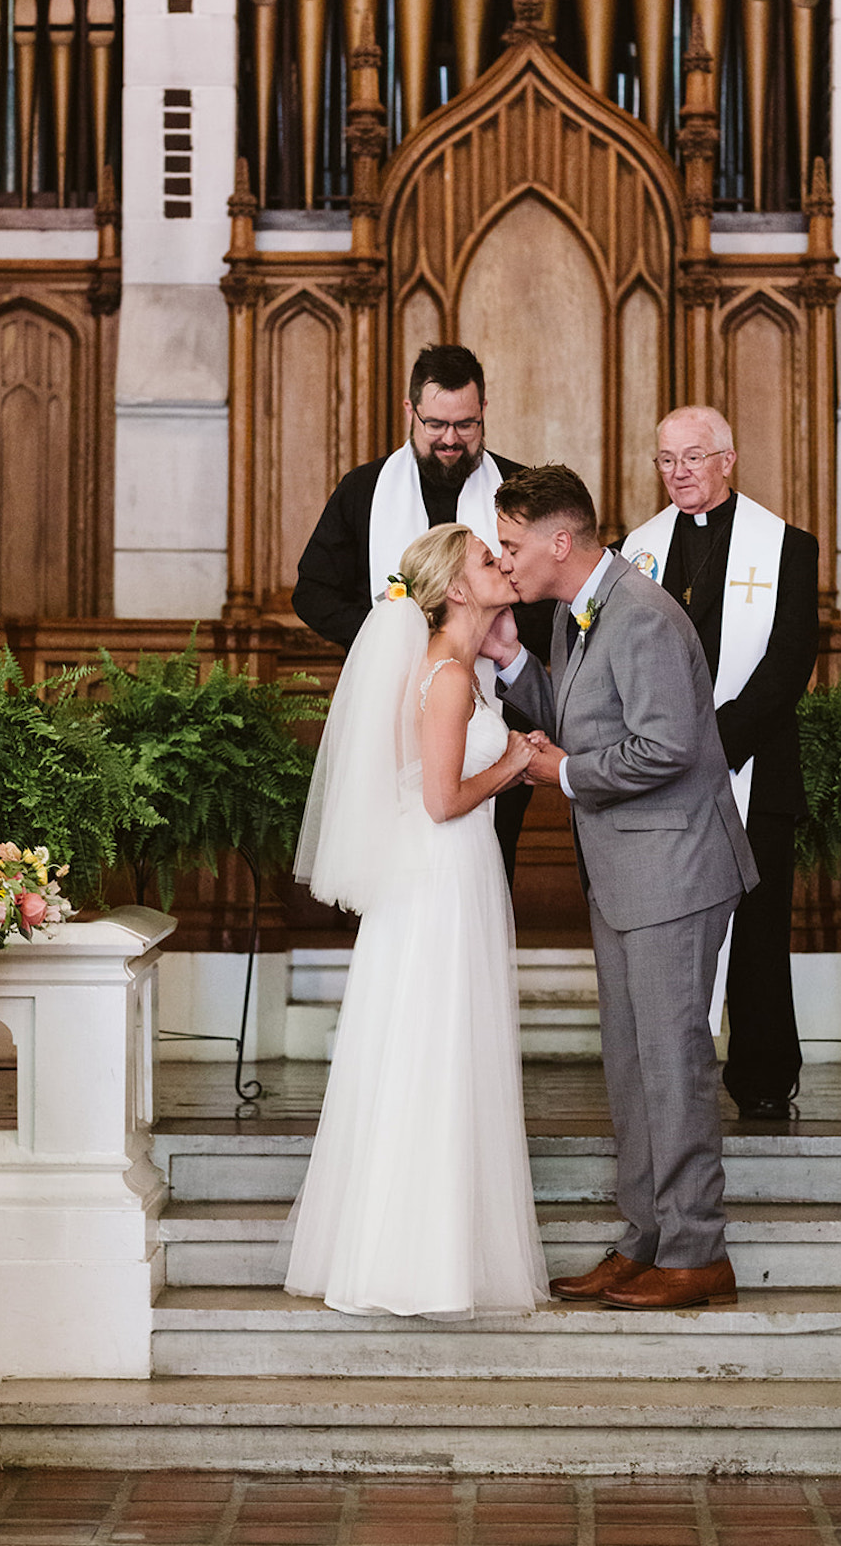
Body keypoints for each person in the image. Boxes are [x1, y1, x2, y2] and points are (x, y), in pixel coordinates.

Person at [484, 464, 758, 1311]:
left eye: (513, 544)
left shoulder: (637, 613)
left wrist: (565, 774)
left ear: (560, 541)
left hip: (675, 869)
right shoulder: (578, 610)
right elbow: (581, 714)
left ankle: (697, 1249)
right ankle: (645, 1239)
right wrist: (513, 660)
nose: (506, 560)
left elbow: (666, 746)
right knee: (635, 1065)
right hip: (629, 870)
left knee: (672, 1064)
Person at [284, 523, 549, 1316]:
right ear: (457, 590)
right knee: (432, 1054)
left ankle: (435, 1249)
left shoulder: (464, 668)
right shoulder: (445, 678)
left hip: (453, 875)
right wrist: (511, 764)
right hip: (439, 878)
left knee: (445, 1050)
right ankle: (413, 1259)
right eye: (483, 558)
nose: (501, 562)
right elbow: (439, 801)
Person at [621, 406, 818, 1119]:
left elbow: (790, 660)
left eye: (694, 457)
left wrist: (718, 742)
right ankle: (672, 1077)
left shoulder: (787, 546)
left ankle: (763, 1075)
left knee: (760, 928)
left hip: (754, 764)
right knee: (670, 922)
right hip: (662, 768)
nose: (679, 472)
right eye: (667, 459)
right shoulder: (635, 550)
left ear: (728, 460)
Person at [293, 343, 551, 885]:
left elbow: (549, 594)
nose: (451, 439)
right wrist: (404, 637)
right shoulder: (364, 491)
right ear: (409, 410)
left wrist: (501, 642)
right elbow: (311, 593)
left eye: (467, 425)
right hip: (397, 717)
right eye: (436, 423)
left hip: (496, 715)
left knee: (490, 871)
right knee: (399, 865)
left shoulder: (520, 491)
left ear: (484, 412)